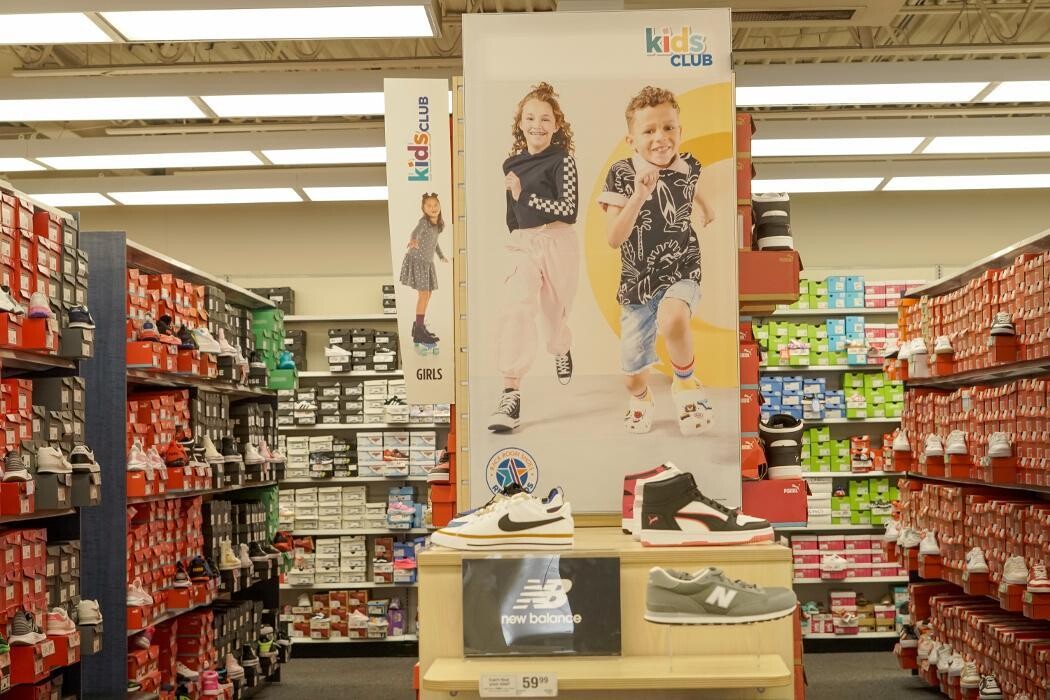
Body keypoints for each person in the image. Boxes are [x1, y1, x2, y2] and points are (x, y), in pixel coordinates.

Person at [598, 85, 716, 436]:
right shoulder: (622, 173)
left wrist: (705, 206)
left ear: (680, 130)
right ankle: (642, 397)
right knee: (632, 378)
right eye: (648, 131)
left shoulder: (689, 164)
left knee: (673, 318)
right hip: (637, 284)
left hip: (682, 265)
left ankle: (686, 384)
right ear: (632, 140)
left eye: (668, 127)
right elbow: (613, 238)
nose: (660, 137)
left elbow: (689, 184)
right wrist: (639, 195)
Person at [488, 81, 579, 434]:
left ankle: (560, 347)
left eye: (545, 119)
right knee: (516, 306)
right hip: (524, 244)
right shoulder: (511, 164)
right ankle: (510, 393)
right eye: (530, 118)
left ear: (556, 125)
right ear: (520, 123)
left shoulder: (563, 161)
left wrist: (524, 195)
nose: (537, 125)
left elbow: (568, 210)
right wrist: (516, 229)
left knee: (554, 317)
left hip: (558, 242)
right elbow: (511, 210)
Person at [399, 192, 447, 347]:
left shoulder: (437, 225)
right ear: (424, 209)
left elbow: (434, 243)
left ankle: (418, 326)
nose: (433, 208)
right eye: (429, 206)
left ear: (440, 206)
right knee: (423, 294)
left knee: (428, 294)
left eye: (435, 205)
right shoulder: (424, 222)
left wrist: (441, 255)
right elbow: (415, 232)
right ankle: (419, 330)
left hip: (427, 263)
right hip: (418, 261)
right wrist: (413, 240)